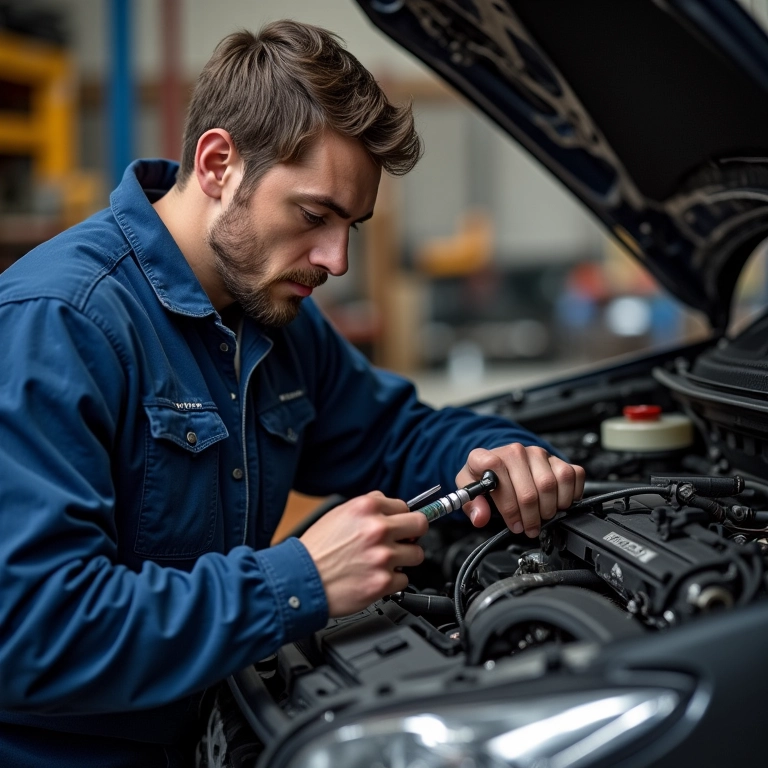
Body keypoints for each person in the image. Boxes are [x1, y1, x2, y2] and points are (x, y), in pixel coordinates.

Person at [0, 20, 585, 768]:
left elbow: (395, 436)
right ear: (217, 163)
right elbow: (34, 629)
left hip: (217, 733)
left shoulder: (271, 318)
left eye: (352, 226)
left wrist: (494, 453)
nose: (336, 260)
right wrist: (298, 581)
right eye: (313, 216)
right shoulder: (59, 324)